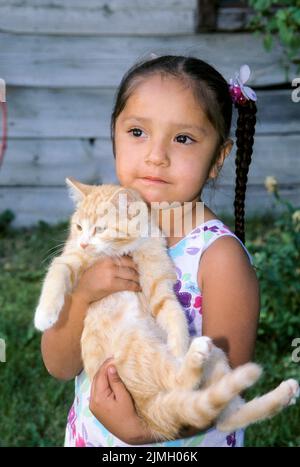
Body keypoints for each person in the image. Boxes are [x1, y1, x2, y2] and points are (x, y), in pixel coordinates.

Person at [41, 55, 260, 447]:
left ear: (218, 158)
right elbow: (59, 365)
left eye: (183, 138)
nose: (156, 155)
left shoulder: (219, 259)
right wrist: (83, 294)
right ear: (114, 135)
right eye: (138, 132)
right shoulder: (99, 231)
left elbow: (225, 390)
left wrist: (143, 432)